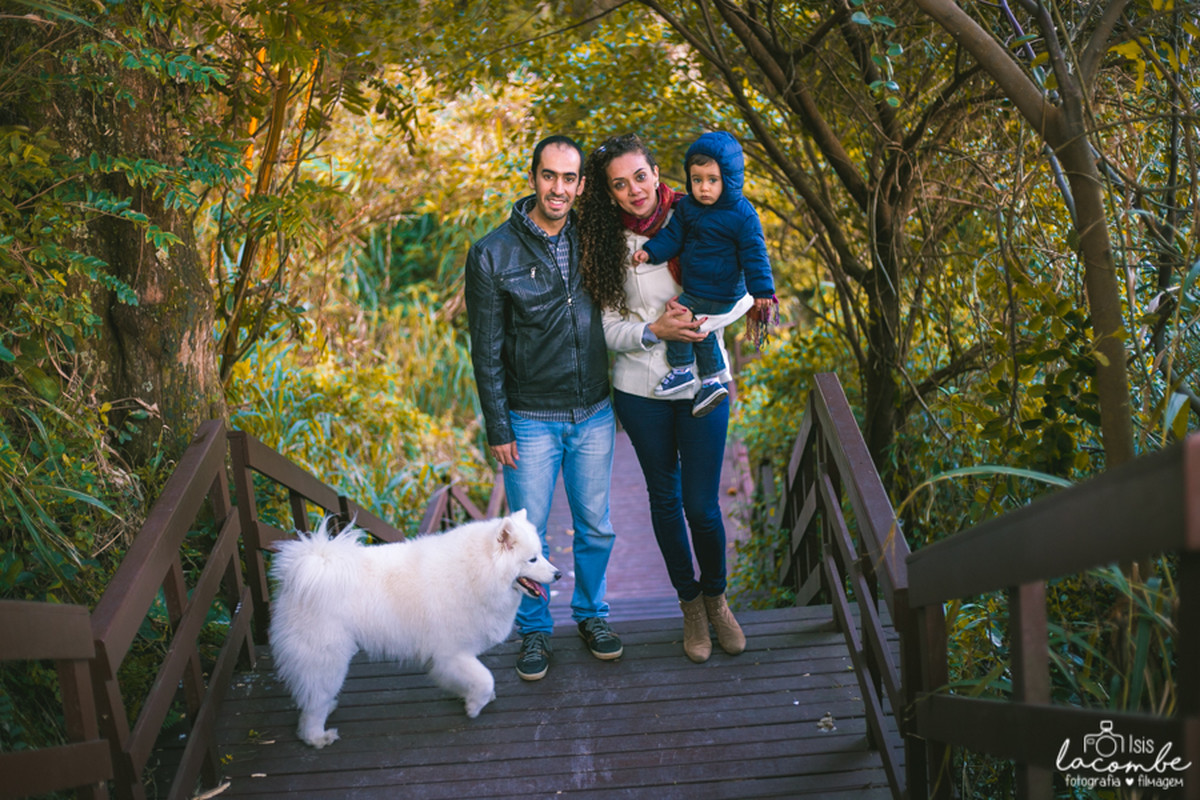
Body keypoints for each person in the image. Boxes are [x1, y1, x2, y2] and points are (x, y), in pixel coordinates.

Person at [577, 132, 748, 663]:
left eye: (641, 177)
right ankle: (690, 605)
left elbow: (741, 293)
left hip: (702, 382)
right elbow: (605, 326)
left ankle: (718, 600)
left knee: (701, 504)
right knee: (665, 501)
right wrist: (654, 330)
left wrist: (697, 322)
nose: (634, 191)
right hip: (640, 392)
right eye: (620, 185)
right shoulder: (605, 244)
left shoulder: (704, 212)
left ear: (656, 172)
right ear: (608, 193)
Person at [464, 134, 622, 681]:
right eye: (549, 176)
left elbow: (655, 205)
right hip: (530, 419)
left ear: (581, 185)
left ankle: (592, 615)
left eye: (569, 178)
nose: (559, 188)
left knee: (596, 527)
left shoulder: (595, 235)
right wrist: (498, 424)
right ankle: (533, 631)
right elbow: (484, 349)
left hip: (595, 412)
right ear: (533, 177)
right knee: (527, 540)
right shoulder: (492, 252)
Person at [632, 131, 777, 418]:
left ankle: (683, 369)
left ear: (730, 179)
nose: (704, 188)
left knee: (679, 316)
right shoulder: (688, 208)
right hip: (699, 285)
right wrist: (650, 252)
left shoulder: (742, 214)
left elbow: (755, 253)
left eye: (713, 180)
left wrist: (762, 292)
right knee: (698, 325)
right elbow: (673, 236)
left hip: (722, 289)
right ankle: (711, 380)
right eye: (697, 180)